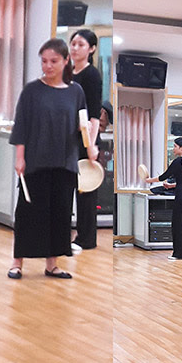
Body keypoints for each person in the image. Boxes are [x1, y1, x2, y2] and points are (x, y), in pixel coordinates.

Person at [8, 38, 97, 279]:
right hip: (35, 162)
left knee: (60, 214)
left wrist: (90, 144)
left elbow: (82, 124)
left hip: (64, 163)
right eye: (44, 61)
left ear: (65, 61)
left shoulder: (76, 92)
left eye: (53, 61)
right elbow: (21, 126)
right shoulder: (31, 91)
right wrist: (20, 158)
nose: (48, 66)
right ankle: (17, 262)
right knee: (27, 213)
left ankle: (52, 264)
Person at [68, 30, 103, 252]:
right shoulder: (67, 72)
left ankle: (86, 238)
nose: (75, 48)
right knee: (67, 186)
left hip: (85, 137)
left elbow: (94, 113)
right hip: (68, 138)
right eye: (73, 43)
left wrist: (91, 144)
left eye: (80, 44)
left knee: (86, 189)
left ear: (91, 49)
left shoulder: (92, 75)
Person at [145, 137, 182, 260]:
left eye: (175, 146)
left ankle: (179, 254)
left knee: (178, 225)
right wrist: (172, 185)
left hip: (181, 196)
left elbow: (164, 176)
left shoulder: (178, 162)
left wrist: (149, 180)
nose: (173, 149)